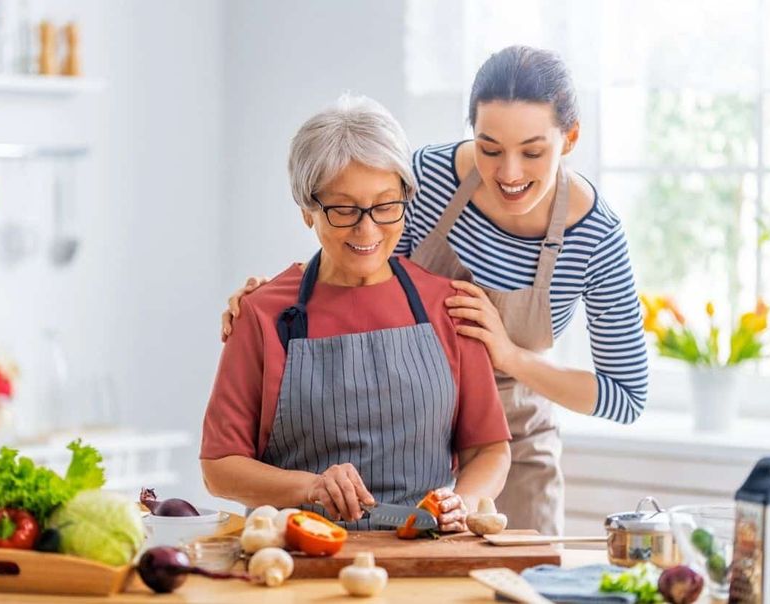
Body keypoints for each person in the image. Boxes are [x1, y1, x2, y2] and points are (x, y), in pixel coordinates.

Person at [221, 46, 649, 535]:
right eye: (489, 148)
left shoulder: (595, 236)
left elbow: (625, 395)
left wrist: (508, 356)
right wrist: (270, 298)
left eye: (532, 152)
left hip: (514, 441)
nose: (508, 173)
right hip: (414, 430)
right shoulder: (425, 180)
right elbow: (358, 245)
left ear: (569, 138)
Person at [200, 95, 512, 531]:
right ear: (308, 210)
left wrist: (462, 501)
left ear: (407, 197)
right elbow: (220, 467)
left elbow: (489, 449)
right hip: (297, 559)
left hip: (424, 556)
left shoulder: (448, 305)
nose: (367, 230)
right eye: (344, 210)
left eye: (385, 206)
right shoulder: (261, 313)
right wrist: (309, 488)